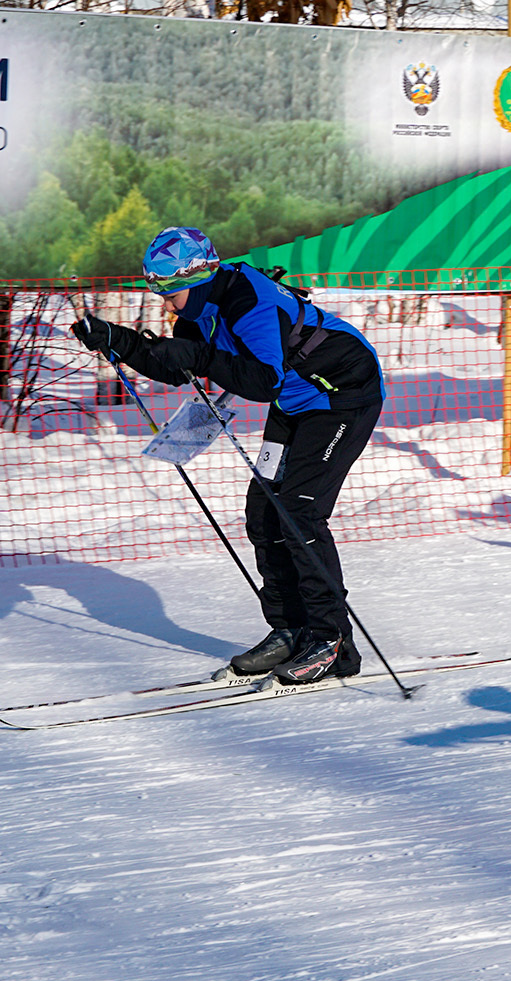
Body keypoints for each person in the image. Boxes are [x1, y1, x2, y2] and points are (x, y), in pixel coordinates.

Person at [69, 227, 385, 684]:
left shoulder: (246, 301)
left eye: (169, 292)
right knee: (263, 513)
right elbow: (175, 364)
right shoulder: (200, 308)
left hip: (342, 395)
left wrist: (197, 356)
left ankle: (331, 641)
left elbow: (261, 381)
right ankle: (291, 629)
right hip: (296, 402)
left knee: (299, 512)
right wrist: (116, 339)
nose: (164, 302)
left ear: (193, 281)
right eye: (158, 292)